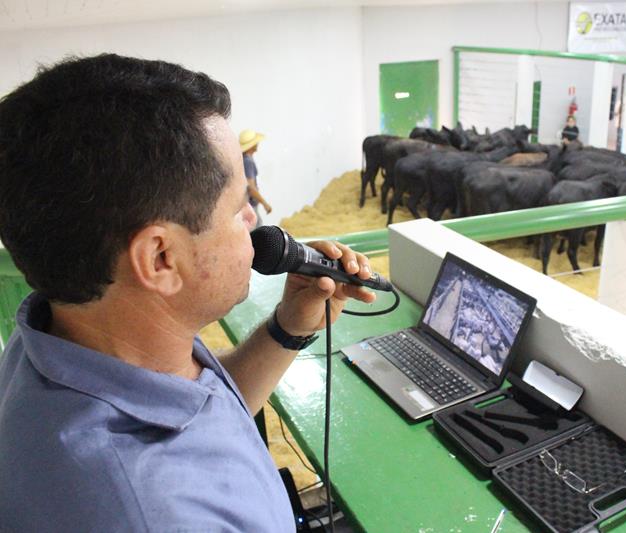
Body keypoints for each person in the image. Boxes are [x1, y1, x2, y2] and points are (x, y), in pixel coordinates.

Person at [0, 54, 376, 531]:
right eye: (239, 208)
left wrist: (289, 328)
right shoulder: (160, 513)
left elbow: (198, 410)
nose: (254, 224)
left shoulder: (54, 339)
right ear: (160, 259)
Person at [240, 128, 273, 226]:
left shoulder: (243, 160)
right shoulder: (248, 162)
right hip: (251, 205)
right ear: (252, 146)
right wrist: (265, 203)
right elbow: (251, 188)